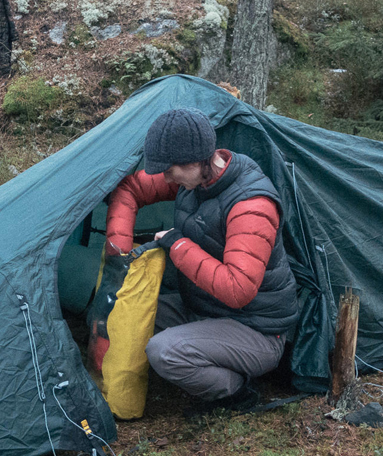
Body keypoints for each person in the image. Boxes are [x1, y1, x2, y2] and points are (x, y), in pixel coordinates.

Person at [103, 108, 299, 412]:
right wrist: (119, 245)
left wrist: (177, 245)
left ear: (196, 161)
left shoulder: (251, 205)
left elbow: (238, 289)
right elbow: (132, 188)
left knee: (163, 351)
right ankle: (205, 355)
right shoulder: (195, 180)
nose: (164, 177)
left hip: (256, 330)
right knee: (127, 308)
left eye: (169, 169)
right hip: (202, 310)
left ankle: (235, 391)